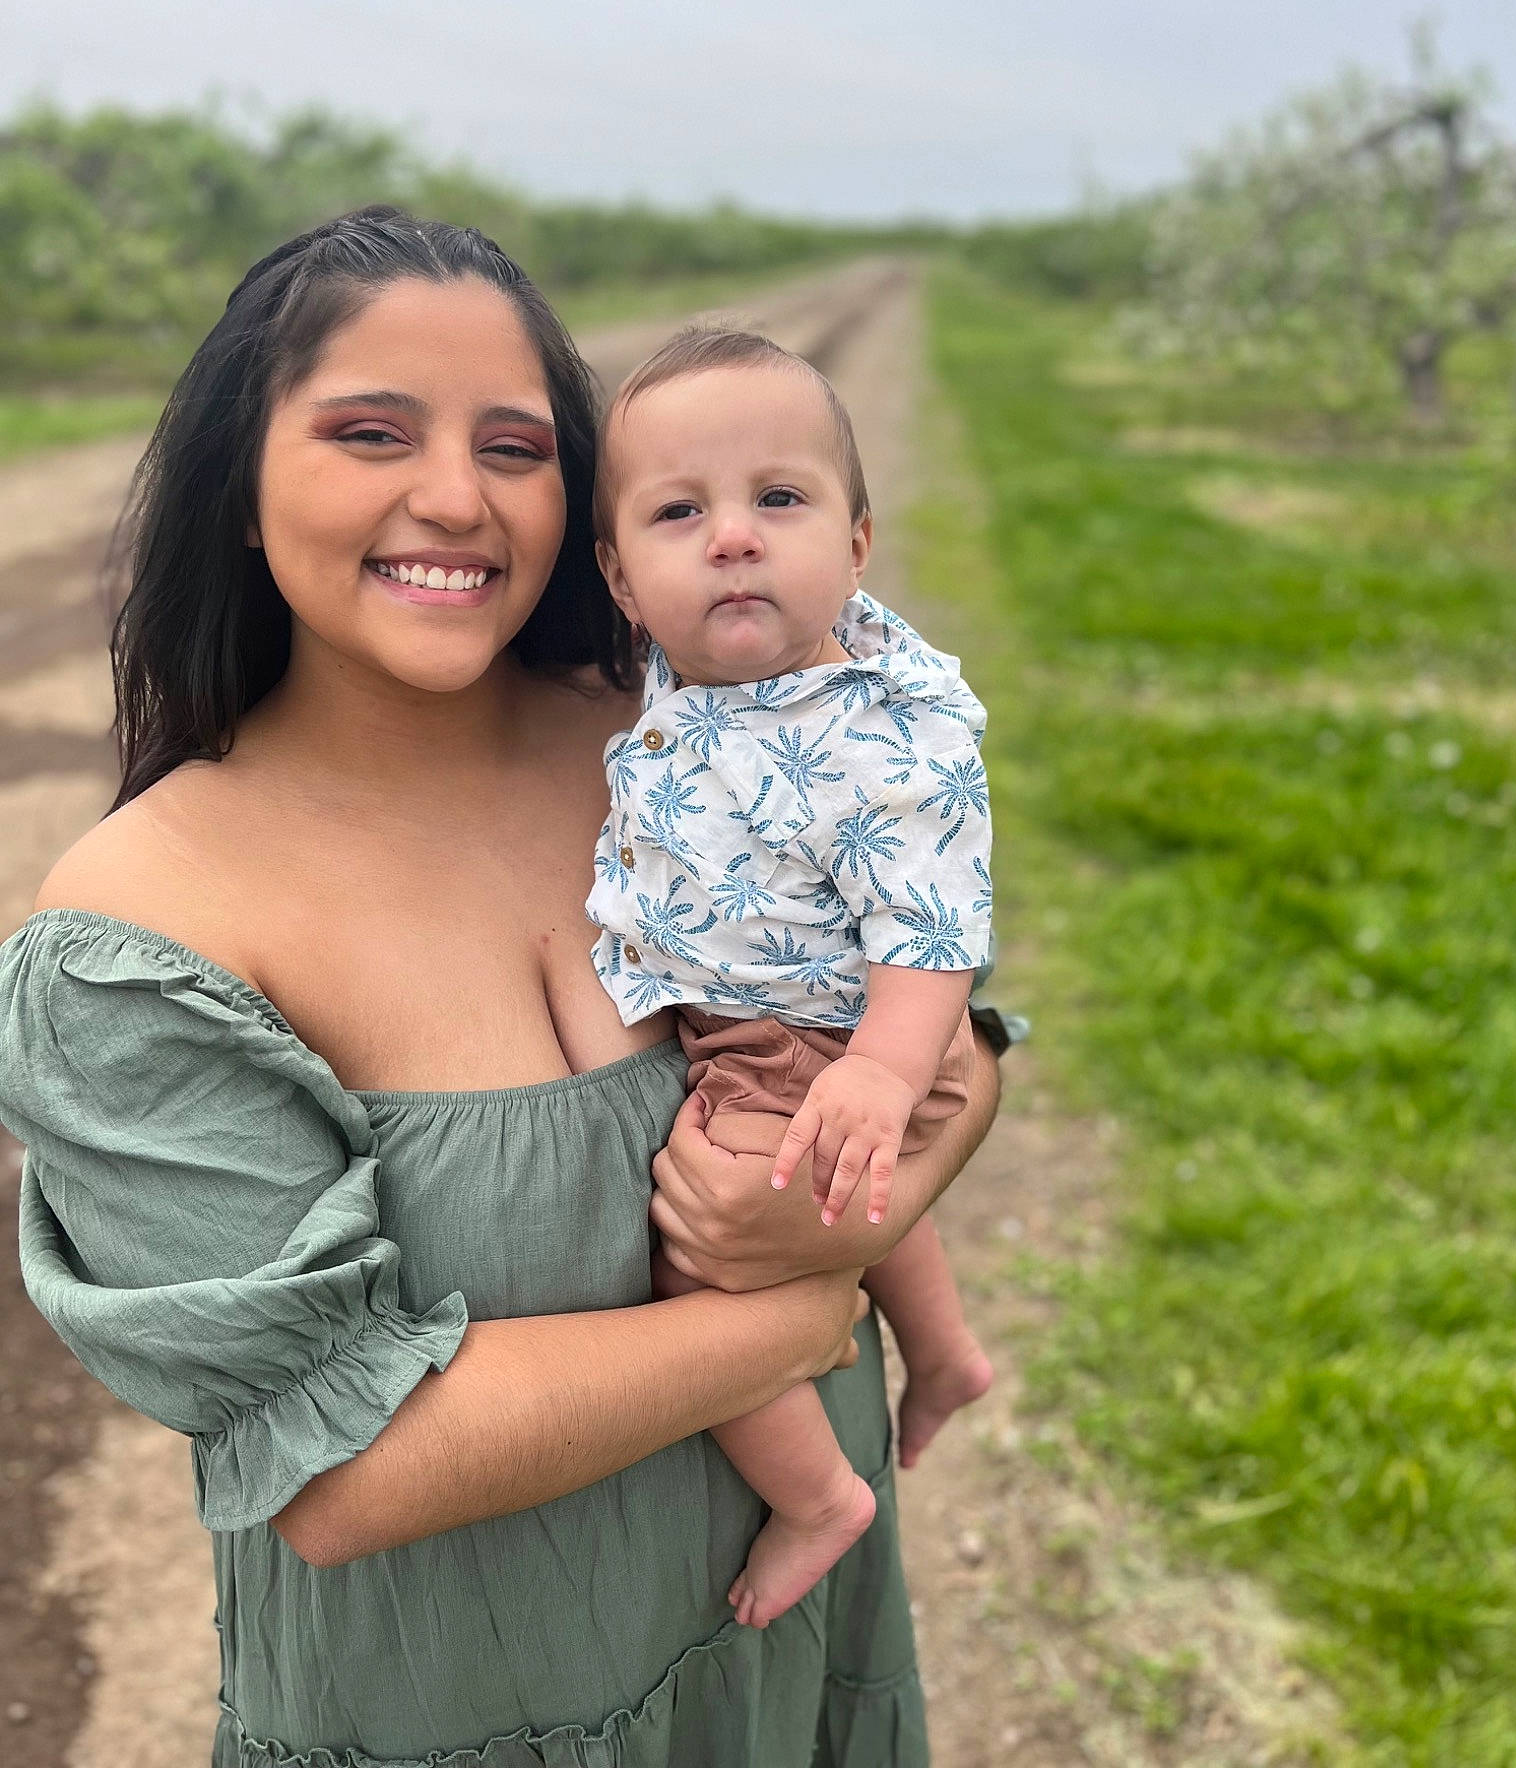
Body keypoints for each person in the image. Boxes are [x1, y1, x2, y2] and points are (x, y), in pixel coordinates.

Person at [0, 207, 1005, 1768]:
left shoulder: (673, 735)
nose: (455, 497)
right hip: (474, 1712)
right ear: (243, 492)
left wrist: (908, 1146)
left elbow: (933, 1011)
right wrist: (807, 1303)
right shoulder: (139, 925)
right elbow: (349, 1469)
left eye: (518, 446)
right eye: (370, 431)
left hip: (786, 1634)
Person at [588, 328, 995, 1630]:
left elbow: (932, 931)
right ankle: (943, 1353)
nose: (733, 538)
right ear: (620, 576)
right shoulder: (669, 676)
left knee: (702, 1262)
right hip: (761, 1018)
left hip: (828, 1035)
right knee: (859, 1189)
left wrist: (883, 1068)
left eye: (779, 498)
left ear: (858, 546)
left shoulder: (885, 734)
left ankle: (821, 1496)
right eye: (679, 512)